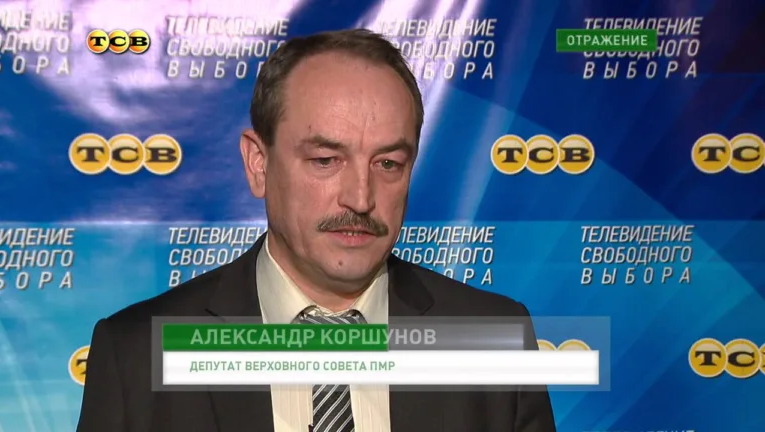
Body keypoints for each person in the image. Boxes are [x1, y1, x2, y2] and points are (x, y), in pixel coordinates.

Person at [76, 28, 557, 432]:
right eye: (326, 160)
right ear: (258, 163)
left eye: (388, 163)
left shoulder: (497, 339)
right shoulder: (137, 354)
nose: (361, 198)